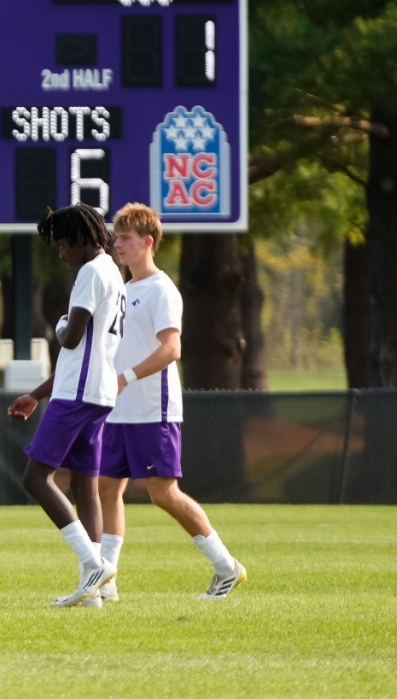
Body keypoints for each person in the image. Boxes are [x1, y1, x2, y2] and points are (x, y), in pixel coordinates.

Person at [99, 203, 247, 600]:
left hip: (153, 409)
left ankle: (226, 566)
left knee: (163, 493)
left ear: (148, 242)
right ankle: (106, 582)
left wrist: (126, 378)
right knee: (106, 487)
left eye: (126, 238)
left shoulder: (161, 289)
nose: (118, 245)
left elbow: (172, 349)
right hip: (120, 410)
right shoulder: (124, 290)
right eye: (116, 238)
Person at [9, 202, 123, 608]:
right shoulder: (113, 272)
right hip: (98, 393)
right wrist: (37, 394)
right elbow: (84, 349)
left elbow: (71, 338)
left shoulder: (90, 272)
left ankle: (93, 564)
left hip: (77, 394)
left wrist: (59, 324)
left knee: (36, 479)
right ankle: (98, 589)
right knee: (85, 488)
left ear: (79, 238)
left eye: (62, 245)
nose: (61, 253)